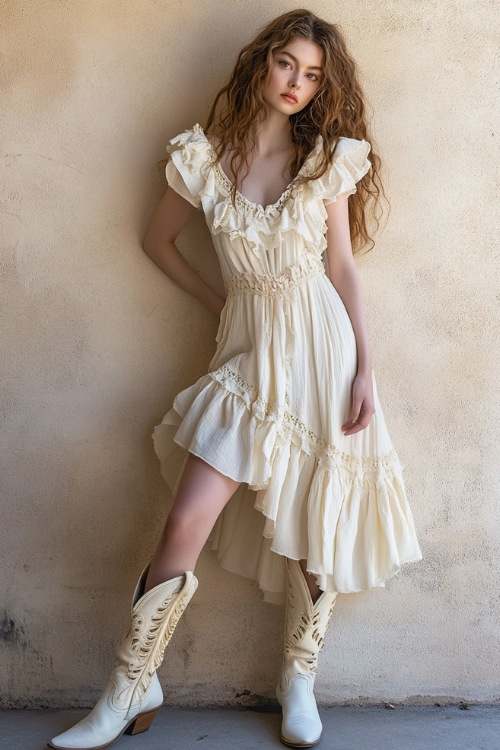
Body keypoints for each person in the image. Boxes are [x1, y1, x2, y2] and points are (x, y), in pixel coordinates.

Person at [48, 8, 423, 750]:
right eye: (288, 63)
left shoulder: (326, 161)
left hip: (324, 347)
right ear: (262, 62)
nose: (298, 83)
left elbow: (342, 266)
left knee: (319, 524)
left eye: (313, 74)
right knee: (186, 517)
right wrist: (223, 302)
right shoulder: (202, 156)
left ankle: (299, 682)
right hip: (249, 353)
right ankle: (131, 686)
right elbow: (156, 242)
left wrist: (366, 367)